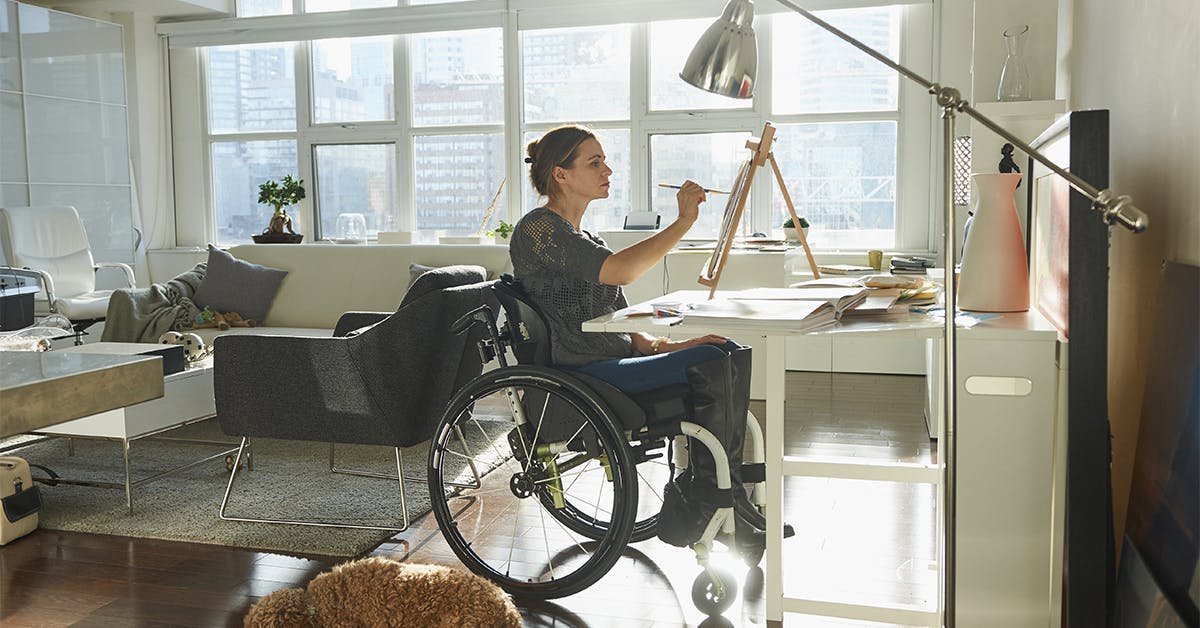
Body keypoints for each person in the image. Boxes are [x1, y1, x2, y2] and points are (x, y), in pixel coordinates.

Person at [509, 124, 763, 548]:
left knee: (723, 349)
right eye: (595, 162)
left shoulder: (586, 237)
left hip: (612, 360)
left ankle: (722, 493)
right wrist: (683, 221)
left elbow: (622, 322)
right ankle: (711, 500)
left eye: (605, 161)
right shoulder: (539, 229)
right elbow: (621, 271)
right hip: (583, 371)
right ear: (560, 174)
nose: (607, 169)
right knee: (718, 360)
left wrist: (672, 346)